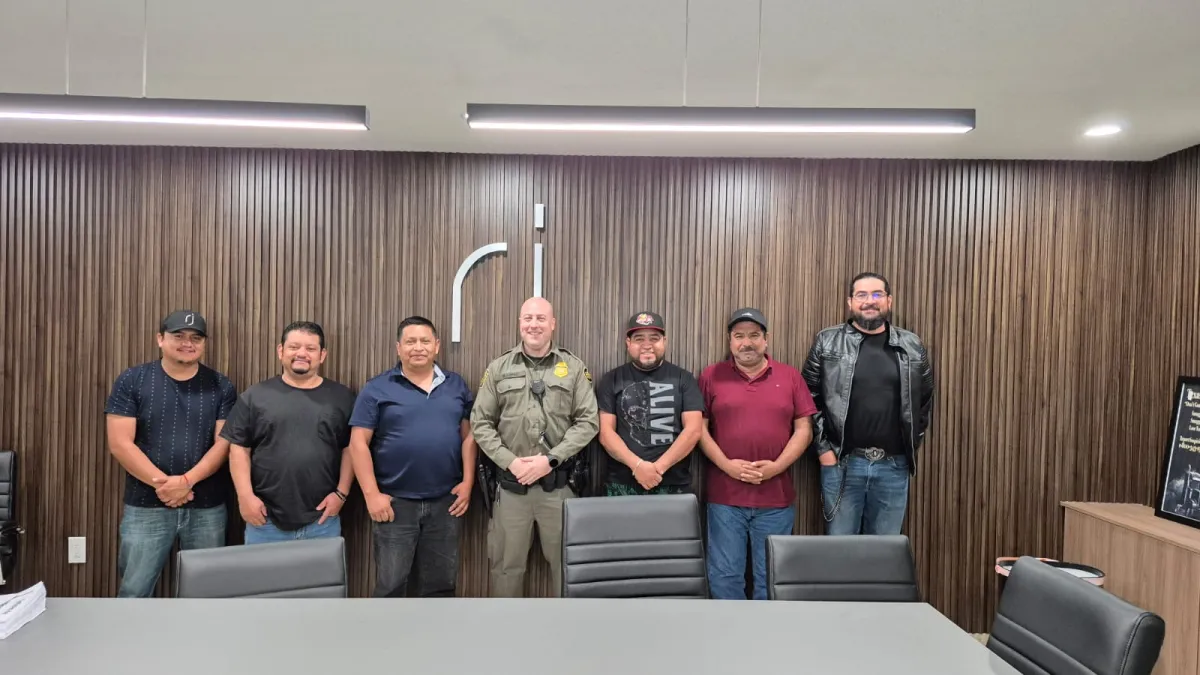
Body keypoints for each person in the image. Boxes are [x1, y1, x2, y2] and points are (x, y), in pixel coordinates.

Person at [471, 297, 599, 597]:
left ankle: (567, 637)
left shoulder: (574, 367)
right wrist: (510, 463)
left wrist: (550, 460)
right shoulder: (499, 367)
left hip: (558, 488)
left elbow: (588, 422)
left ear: (553, 324)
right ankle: (508, 638)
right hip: (512, 488)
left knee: (567, 568)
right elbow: (480, 423)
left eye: (541, 318)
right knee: (506, 569)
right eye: (528, 318)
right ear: (519, 323)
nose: (534, 324)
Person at [104, 310, 237, 597]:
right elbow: (120, 444)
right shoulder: (132, 380)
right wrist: (164, 485)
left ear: (203, 344)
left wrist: (186, 481)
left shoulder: (221, 385)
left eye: (196, 338)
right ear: (160, 339)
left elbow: (224, 444)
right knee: (134, 592)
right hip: (146, 505)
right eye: (178, 336)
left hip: (207, 507)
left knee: (207, 595)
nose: (187, 343)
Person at [349, 316, 477, 597]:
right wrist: (372, 495)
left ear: (437, 346)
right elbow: (358, 443)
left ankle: (435, 640)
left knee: (441, 586)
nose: (417, 347)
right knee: (391, 585)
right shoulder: (377, 387)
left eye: (424, 341)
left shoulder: (456, 385)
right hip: (395, 504)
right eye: (410, 341)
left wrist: (468, 483)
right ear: (398, 347)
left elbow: (468, 436)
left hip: (446, 502)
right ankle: (389, 641)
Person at [802, 273, 935, 536]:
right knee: (840, 553)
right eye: (861, 295)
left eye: (877, 294)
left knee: (884, 554)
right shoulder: (827, 341)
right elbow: (807, 399)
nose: (869, 301)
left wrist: (909, 445)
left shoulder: (911, 345)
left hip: (893, 467)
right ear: (850, 302)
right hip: (842, 464)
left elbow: (924, 401)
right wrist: (824, 451)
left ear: (889, 300)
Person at [698, 308, 816, 600]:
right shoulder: (711, 375)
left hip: (776, 499)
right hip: (725, 499)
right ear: (730, 341)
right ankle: (729, 641)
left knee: (771, 579)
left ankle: (767, 643)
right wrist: (727, 465)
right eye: (739, 336)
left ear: (766, 339)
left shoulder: (790, 377)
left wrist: (776, 467)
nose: (746, 343)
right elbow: (698, 429)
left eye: (754, 335)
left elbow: (804, 430)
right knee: (725, 577)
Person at [221, 321, 356, 544]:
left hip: (322, 521)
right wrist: (245, 498)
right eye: (294, 347)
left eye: (310, 348)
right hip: (264, 520)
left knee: (321, 581)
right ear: (281, 351)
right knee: (263, 581)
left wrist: (341, 494)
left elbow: (351, 448)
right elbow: (239, 448)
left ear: (322, 355)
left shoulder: (342, 398)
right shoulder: (255, 396)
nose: (301, 353)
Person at [596, 311, 703, 496]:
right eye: (639, 339)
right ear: (628, 343)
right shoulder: (611, 379)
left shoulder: (683, 378)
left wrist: (657, 469)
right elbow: (606, 433)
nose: (647, 345)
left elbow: (693, 430)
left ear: (665, 341)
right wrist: (637, 467)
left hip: (673, 485)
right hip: (622, 485)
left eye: (654, 338)